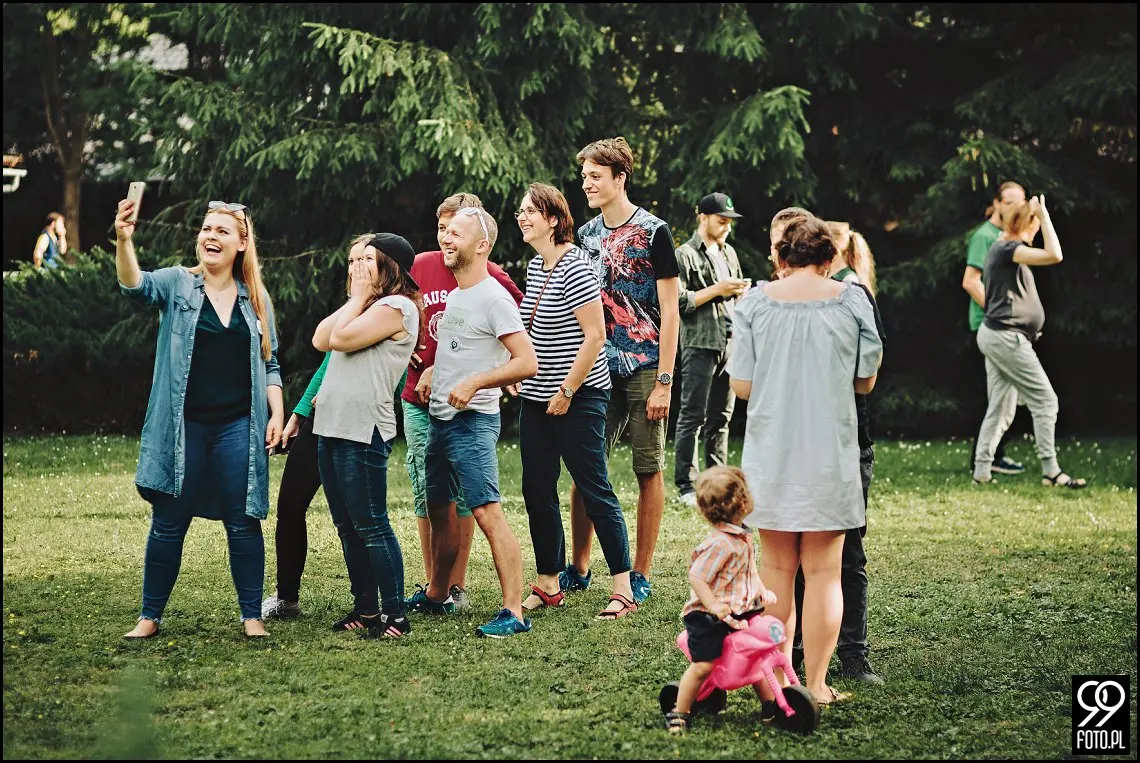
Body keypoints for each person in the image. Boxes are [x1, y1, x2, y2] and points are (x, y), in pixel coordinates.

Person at [728, 213, 883, 705]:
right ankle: (816, 684)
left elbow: (742, 387)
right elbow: (866, 380)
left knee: (775, 571)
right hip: (829, 453)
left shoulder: (753, 303)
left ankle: (781, 683)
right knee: (823, 573)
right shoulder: (853, 300)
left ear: (779, 258)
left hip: (772, 452)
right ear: (830, 258)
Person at [115, 198, 283, 640]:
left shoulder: (256, 298)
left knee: (243, 519)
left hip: (236, 427)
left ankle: (251, 616)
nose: (211, 236)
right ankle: (149, 616)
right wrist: (124, 239)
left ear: (242, 244)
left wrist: (277, 411)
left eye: (223, 231)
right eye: (206, 229)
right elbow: (134, 285)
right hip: (182, 427)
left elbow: (270, 363)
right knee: (169, 521)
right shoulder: (177, 284)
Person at [567, 136, 681, 605]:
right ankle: (579, 565)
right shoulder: (585, 235)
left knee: (647, 468)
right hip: (596, 366)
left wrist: (664, 382)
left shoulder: (655, 232)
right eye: (584, 176)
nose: (587, 184)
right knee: (583, 466)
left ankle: (640, 572)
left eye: (596, 176)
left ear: (620, 178)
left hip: (644, 364)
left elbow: (671, 311)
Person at [514, 182, 636, 619]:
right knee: (536, 488)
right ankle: (549, 581)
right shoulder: (534, 266)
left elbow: (595, 336)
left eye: (530, 211)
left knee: (592, 485)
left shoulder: (576, 267)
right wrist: (517, 370)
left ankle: (622, 586)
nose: (522, 217)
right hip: (536, 395)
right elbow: (531, 329)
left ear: (553, 219)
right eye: (520, 212)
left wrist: (567, 390)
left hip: (580, 394)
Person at [417, 206, 539, 638]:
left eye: (457, 233)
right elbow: (462, 348)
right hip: (440, 422)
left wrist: (476, 383)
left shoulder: (493, 297)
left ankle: (514, 613)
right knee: (439, 509)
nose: (447, 239)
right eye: (445, 231)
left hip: (472, 424)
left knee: (487, 512)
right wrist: (435, 372)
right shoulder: (457, 296)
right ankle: (436, 593)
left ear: (482, 245)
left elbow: (527, 361)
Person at [786, 220, 888, 685]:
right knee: (791, 557)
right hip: (791, 443)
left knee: (846, 554)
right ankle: (797, 651)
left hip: (848, 441)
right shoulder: (772, 304)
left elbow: (867, 372)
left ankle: (853, 654)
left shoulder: (853, 297)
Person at [312, 232, 423, 639]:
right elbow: (320, 339)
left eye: (366, 260)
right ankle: (366, 610)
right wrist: (357, 297)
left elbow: (338, 338)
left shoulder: (397, 307)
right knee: (347, 525)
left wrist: (358, 298)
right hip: (332, 427)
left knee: (371, 524)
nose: (356, 268)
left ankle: (395, 615)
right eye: (354, 261)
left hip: (363, 430)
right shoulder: (365, 307)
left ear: (389, 267)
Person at [972, 195, 1086, 489]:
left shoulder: (1004, 247)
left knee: (1001, 406)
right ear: (1027, 224)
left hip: (997, 335)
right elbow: (1054, 255)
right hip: (1004, 336)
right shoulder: (1009, 248)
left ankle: (982, 470)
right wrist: (1044, 215)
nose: (1037, 231)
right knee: (1045, 401)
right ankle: (1051, 471)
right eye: (1035, 225)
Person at [664, 466, 778, 733]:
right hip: (707, 617)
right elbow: (697, 577)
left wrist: (761, 588)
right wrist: (713, 605)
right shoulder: (721, 543)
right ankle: (679, 712)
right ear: (741, 502)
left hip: (739, 611)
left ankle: (771, 706)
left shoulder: (743, 535)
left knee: (756, 656)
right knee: (704, 666)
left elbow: (748, 570)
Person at [673, 193, 749, 506]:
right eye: (722, 220)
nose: (727, 226)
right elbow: (680, 302)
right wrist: (719, 290)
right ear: (702, 217)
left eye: (730, 221)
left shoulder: (729, 252)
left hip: (729, 341)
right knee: (692, 415)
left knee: (722, 418)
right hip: (699, 343)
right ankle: (686, 487)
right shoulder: (684, 254)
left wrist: (740, 293)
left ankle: (717, 484)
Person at [962, 183, 1028, 475]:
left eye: (1020, 203)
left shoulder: (1010, 238)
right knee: (995, 396)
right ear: (997, 204)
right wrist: (996, 311)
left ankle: (994, 456)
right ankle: (988, 458)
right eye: (1009, 202)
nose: (1014, 208)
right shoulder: (984, 236)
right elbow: (970, 280)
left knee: (1004, 394)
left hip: (1004, 325)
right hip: (989, 325)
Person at [260, 351, 330, 620]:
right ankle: (286, 598)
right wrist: (298, 416)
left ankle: (370, 604)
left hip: (358, 421)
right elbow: (329, 358)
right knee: (290, 506)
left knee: (356, 518)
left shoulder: (393, 310)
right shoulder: (352, 311)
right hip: (320, 415)